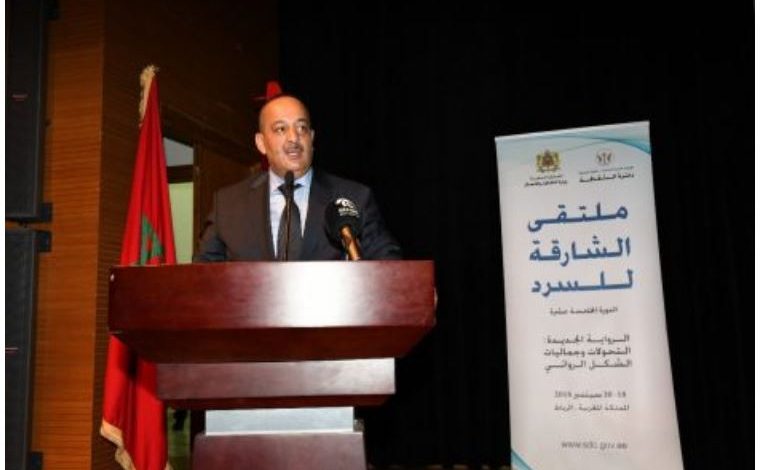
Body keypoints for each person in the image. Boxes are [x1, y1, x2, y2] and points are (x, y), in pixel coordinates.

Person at [197, 94, 401, 261]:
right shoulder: (228, 205)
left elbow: (389, 265)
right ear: (261, 143)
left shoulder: (354, 198)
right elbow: (201, 277)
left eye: (302, 128)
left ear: (311, 139)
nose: (294, 138)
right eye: (281, 129)